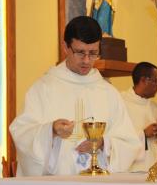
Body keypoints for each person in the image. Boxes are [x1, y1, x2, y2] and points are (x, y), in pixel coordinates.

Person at [10, 16, 141, 176]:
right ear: (65, 46)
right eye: (80, 52)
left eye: (93, 53)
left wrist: (103, 144)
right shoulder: (44, 88)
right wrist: (50, 131)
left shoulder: (108, 93)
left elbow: (130, 143)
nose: (86, 60)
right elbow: (22, 133)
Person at [121, 62, 157, 172]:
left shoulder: (156, 108)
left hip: (155, 168)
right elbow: (116, 138)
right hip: (131, 170)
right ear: (143, 80)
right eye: (156, 80)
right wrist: (143, 134)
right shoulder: (120, 103)